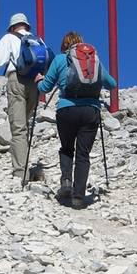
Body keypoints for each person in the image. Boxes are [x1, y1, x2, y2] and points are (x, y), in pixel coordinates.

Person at [36, 31, 116, 209]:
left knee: (66, 148)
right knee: (83, 154)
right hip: (90, 111)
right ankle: (79, 197)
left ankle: (66, 182)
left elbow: (45, 87)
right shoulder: (93, 60)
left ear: (65, 46)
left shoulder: (59, 59)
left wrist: (38, 80)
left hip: (66, 110)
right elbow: (112, 84)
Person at [0, 13, 50, 180]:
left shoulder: (9, 38)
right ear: (26, 26)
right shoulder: (38, 41)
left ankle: (21, 173)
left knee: (18, 129)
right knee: (24, 125)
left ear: (12, 27)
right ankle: (24, 165)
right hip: (35, 84)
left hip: (16, 81)